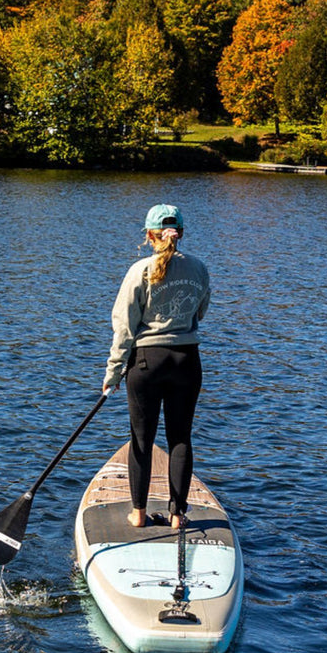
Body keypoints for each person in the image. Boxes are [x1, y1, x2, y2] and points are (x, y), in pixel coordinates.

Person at [103, 204, 210, 530]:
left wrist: (113, 372)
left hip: (147, 363)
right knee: (180, 439)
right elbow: (200, 312)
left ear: (150, 235)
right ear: (181, 233)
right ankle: (177, 515)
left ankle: (137, 514)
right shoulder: (199, 268)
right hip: (186, 360)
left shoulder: (140, 271)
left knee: (141, 439)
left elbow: (124, 326)